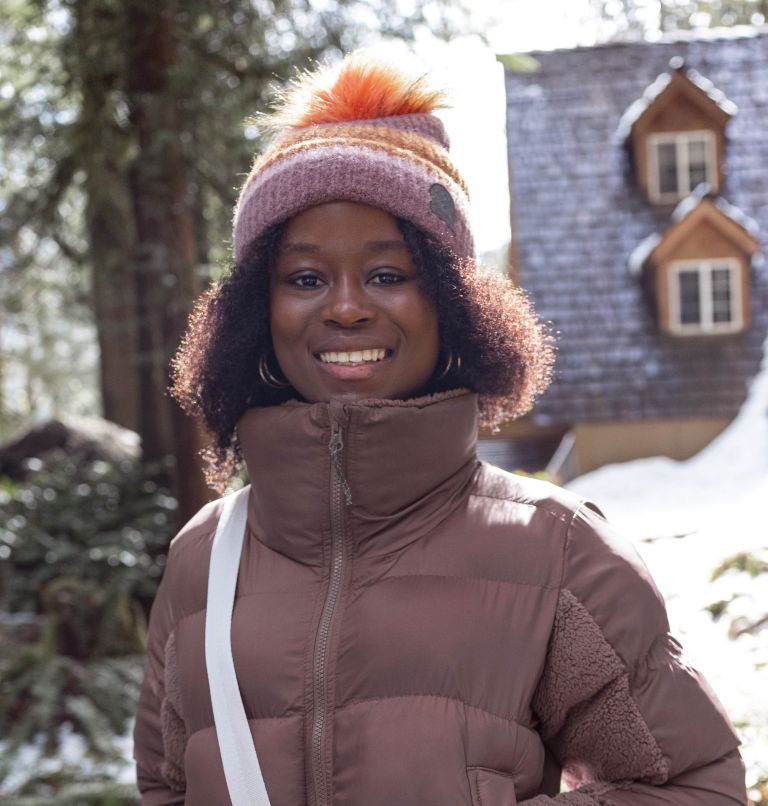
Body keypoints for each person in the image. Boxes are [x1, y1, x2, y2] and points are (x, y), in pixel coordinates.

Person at [133, 52, 747, 805]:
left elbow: (693, 786)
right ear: (254, 315)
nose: (347, 307)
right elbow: (165, 789)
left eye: (389, 274)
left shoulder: (557, 553)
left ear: (454, 305)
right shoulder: (201, 560)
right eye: (304, 278)